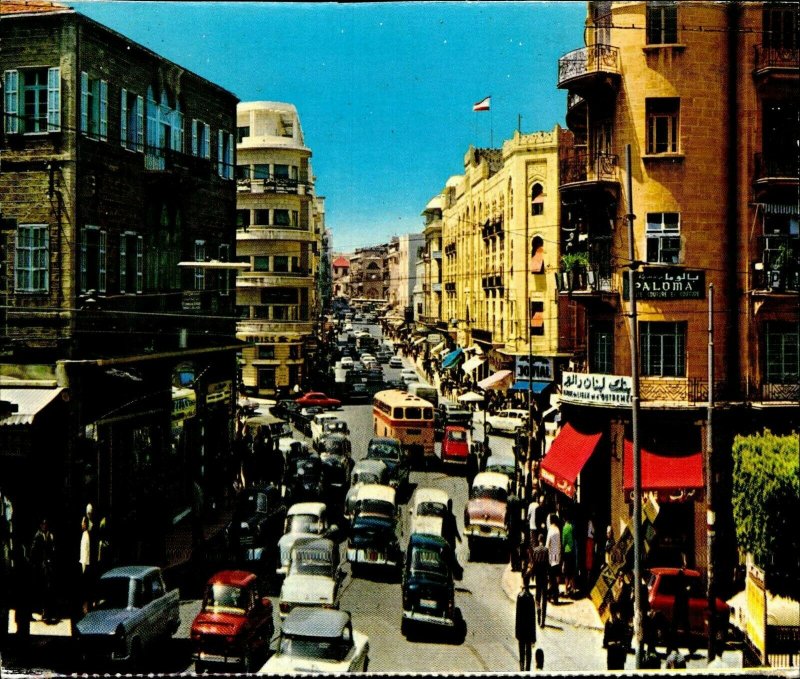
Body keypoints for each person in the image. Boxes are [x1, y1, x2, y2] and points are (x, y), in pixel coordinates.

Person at [30, 518, 56, 622]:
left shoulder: (49, 535)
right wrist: (37, 563)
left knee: (48, 589)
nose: (45, 526)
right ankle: (43, 611)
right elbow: (33, 552)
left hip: (47, 567)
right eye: (43, 524)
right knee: (43, 590)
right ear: (40, 525)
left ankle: (47, 611)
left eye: (46, 524)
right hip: (41, 567)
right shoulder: (38, 536)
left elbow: (51, 549)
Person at [515, 575, 536, 671]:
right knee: (528, 652)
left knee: (521, 652)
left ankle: (521, 668)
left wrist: (517, 632)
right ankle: (527, 669)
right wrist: (534, 636)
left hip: (521, 630)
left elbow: (517, 616)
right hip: (528, 630)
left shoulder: (519, 597)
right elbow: (533, 618)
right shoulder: (531, 598)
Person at [528, 532, 549, 628]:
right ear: (543, 541)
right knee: (544, 598)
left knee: (538, 595)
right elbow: (548, 564)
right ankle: (543, 621)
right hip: (545, 576)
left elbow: (534, 564)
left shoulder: (535, 550)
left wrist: (532, 575)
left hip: (538, 577)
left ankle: (538, 609)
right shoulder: (546, 550)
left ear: (538, 540)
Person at [603, 601, 630, 670]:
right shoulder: (608, 623)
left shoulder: (618, 623)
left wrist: (614, 643)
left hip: (618, 655)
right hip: (612, 655)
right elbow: (605, 642)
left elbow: (624, 641)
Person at [545, 513, 561, 602]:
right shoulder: (557, 530)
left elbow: (547, 545)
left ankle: (550, 594)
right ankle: (555, 596)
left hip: (551, 558)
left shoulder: (551, 530)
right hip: (557, 557)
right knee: (556, 578)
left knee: (551, 579)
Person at [79, 515, 92, 614]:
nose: (81, 524)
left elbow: (85, 552)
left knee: (85, 589)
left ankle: (86, 608)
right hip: (83, 563)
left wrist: (84, 566)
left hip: (85, 564)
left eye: (83, 522)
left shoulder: (86, 535)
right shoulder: (84, 534)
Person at [562, 515, 577, 596]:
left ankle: (566, 590)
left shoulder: (565, 528)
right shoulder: (572, 527)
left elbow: (564, 541)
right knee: (572, 571)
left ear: (564, 519)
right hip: (573, 551)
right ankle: (573, 588)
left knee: (567, 572)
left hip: (567, 551)